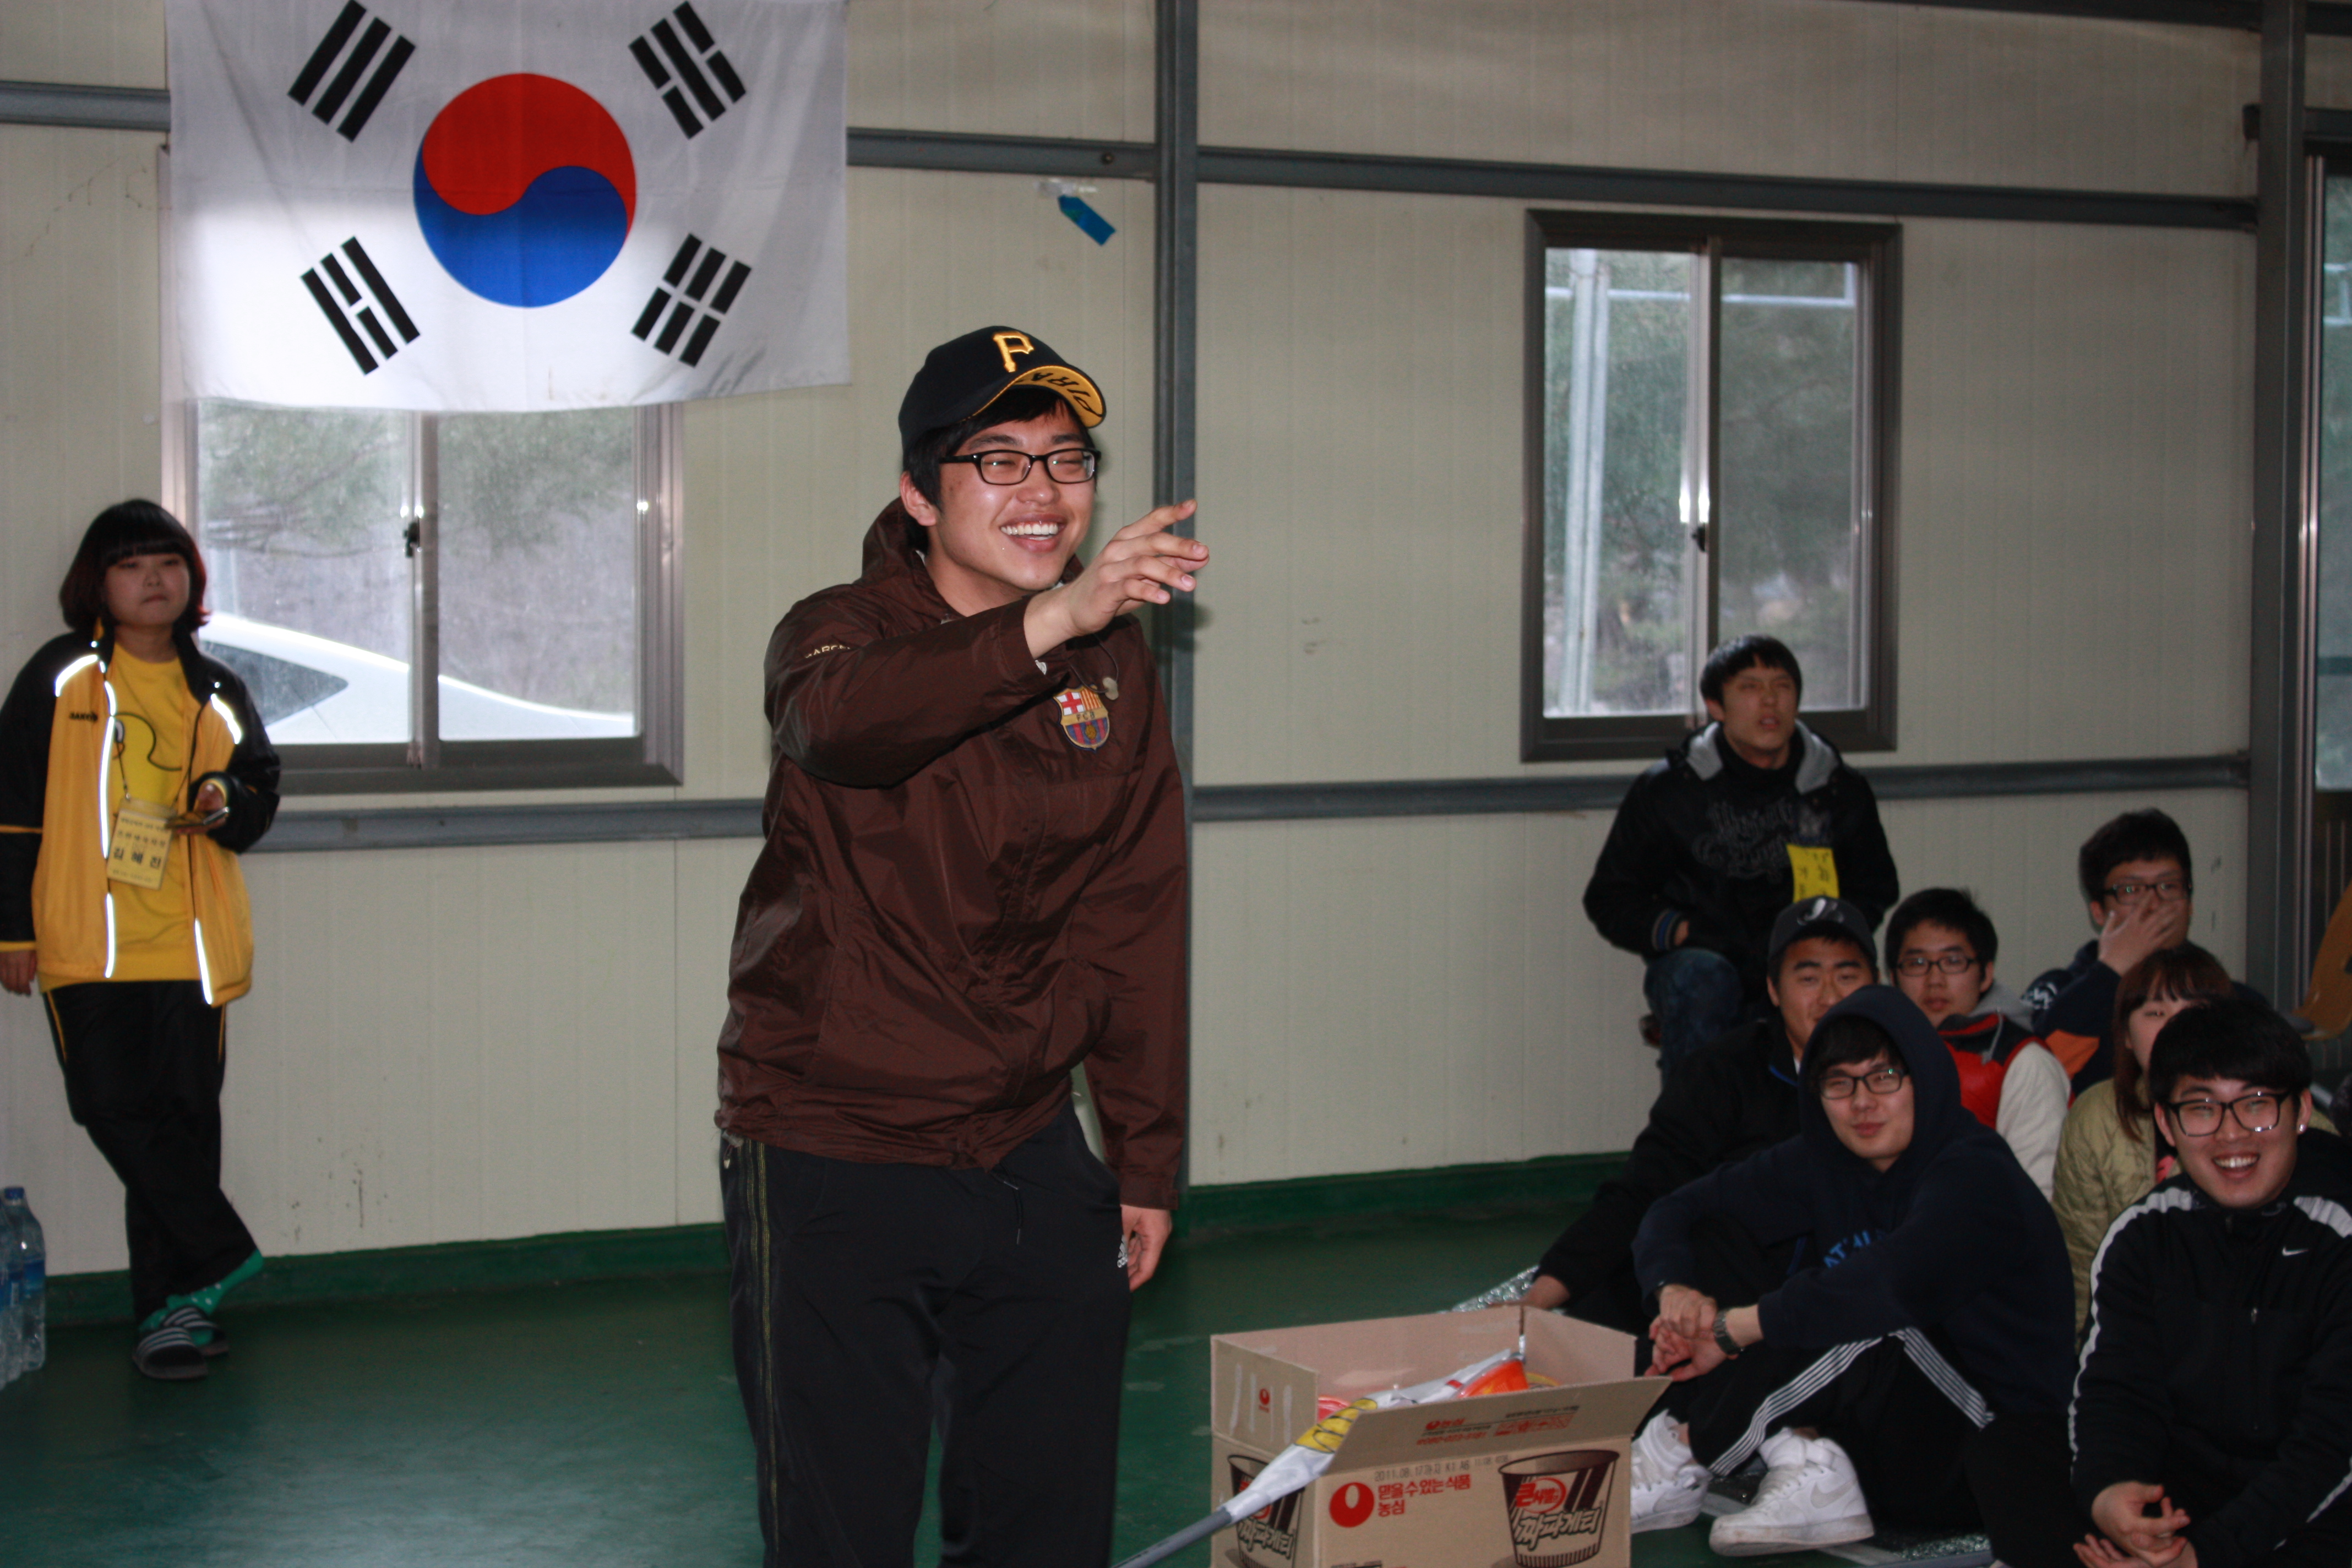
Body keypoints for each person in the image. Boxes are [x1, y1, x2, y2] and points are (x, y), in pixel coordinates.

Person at [715, 325, 1203, 1568]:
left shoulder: (1113, 660)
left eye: (1067, 458)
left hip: (1024, 1136)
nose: (1044, 490)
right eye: (999, 459)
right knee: (841, 1526)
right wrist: (1050, 619)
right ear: (920, 493)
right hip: (835, 1135)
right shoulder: (835, 632)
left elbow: (1133, 911)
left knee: (1048, 1511)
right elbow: (844, 723)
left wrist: (1144, 1157)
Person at [1626, 987, 2075, 1556]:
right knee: (1724, 1240)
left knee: (1866, 1309)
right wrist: (1675, 1294)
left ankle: (1687, 1450)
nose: (1863, 1103)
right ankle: (1810, 1459)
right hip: (1884, 1438)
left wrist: (1729, 1331)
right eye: (1839, 1083)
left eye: (1884, 1077)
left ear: (1925, 1078)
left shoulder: (1976, 1175)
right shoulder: (1826, 1160)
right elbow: (1678, 1210)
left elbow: (1888, 1285)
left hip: (1983, 1447)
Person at [0, 500, 279, 1382]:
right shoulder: (60, 676)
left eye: (168, 562)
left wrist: (224, 799)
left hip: (192, 947)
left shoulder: (218, 688)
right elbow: (12, 811)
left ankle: (172, 1312)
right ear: (98, 583)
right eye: (130, 565)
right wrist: (11, 929)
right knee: (111, 1106)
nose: (153, 580)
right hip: (84, 942)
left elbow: (259, 789)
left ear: (191, 578)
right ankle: (217, 1252)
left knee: (185, 1126)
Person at [1970, 998, 2352, 1568]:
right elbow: (2116, 1392)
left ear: (2300, 1111)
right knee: (2011, 1449)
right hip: (2188, 1499)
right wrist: (2111, 1495)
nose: (2231, 1136)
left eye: (2256, 1105)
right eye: (2202, 1109)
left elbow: (2331, 1444)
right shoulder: (2144, 1234)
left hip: (2310, 1505)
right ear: (2168, 1124)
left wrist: (2205, 1556)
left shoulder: (2340, 1233)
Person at [1524, 896, 1877, 1341]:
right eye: (1808, 977)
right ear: (1773, 989)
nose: (1829, 996)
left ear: (1877, 984)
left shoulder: (1903, 1079)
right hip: (1711, 1295)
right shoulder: (1721, 1071)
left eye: (1847, 976)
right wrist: (1539, 1298)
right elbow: (1644, 1190)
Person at [1584, 635, 1899, 1077]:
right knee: (1702, 980)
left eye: (1782, 686)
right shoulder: (1669, 790)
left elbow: (1875, 887)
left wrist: (1824, 938)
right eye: (1750, 687)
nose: (1770, 701)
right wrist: (1685, 931)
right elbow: (1610, 897)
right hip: (1707, 958)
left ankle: (1832, 1111)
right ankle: (1697, 1120)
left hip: (1804, 954)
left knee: (1835, 978)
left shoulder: (1836, 788)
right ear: (1716, 705)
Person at [2049, 945, 2231, 1331]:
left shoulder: (2279, 1115)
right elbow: (2082, 1263)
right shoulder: (2096, 1116)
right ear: (2127, 1035)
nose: (2174, 1027)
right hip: (2133, 1335)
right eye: (2156, 1013)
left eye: (2194, 1010)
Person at [2023, 809, 2261, 1094]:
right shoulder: (2056, 991)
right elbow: (2032, 1076)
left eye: (2168, 886)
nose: (2153, 904)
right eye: (2131, 890)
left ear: (2189, 904)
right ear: (2098, 911)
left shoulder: (2233, 999)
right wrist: (2111, 971)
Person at [1885, 888, 2069, 1197]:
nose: (1934, 980)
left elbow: (2040, 1198)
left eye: (1953, 961)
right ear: (1893, 977)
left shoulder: (2023, 1061)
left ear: (1986, 974)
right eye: (1917, 963)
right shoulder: (1875, 1055)